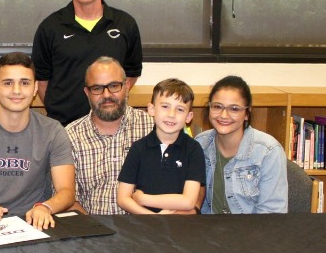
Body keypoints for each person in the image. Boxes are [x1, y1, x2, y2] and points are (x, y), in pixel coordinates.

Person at [0, 52, 75, 229]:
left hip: (34, 223)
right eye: (8, 83)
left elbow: (67, 191)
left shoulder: (53, 131)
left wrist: (46, 207)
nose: (16, 90)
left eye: (24, 83)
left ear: (34, 88)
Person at [32, 0, 142, 126]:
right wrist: (64, 111)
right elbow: (42, 82)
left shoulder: (125, 24)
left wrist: (107, 106)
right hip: (63, 128)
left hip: (112, 127)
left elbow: (131, 74)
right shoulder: (50, 27)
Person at [66, 56, 154, 215]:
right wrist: (96, 231)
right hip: (92, 229)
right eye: (97, 88)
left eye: (114, 86)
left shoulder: (152, 128)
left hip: (146, 228)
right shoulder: (70, 136)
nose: (106, 95)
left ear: (127, 86)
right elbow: (68, 200)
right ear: (87, 92)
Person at [196, 76, 288, 213]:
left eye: (234, 109)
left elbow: (271, 217)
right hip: (208, 230)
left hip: (252, 232)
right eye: (217, 106)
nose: (224, 115)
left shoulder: (268, 151)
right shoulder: (200, 145)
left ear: (246, 113)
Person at [117, 79, 205, 214]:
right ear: (151, 109)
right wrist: (154, 218)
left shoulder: (193, 149)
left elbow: (188, 201)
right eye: (165, 106)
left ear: (189, 117)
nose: (171, 114)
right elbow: (123, 198)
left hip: (181, 227)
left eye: (180, 109)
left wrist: (144, 199)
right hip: (142, 225)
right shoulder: (138, 148)